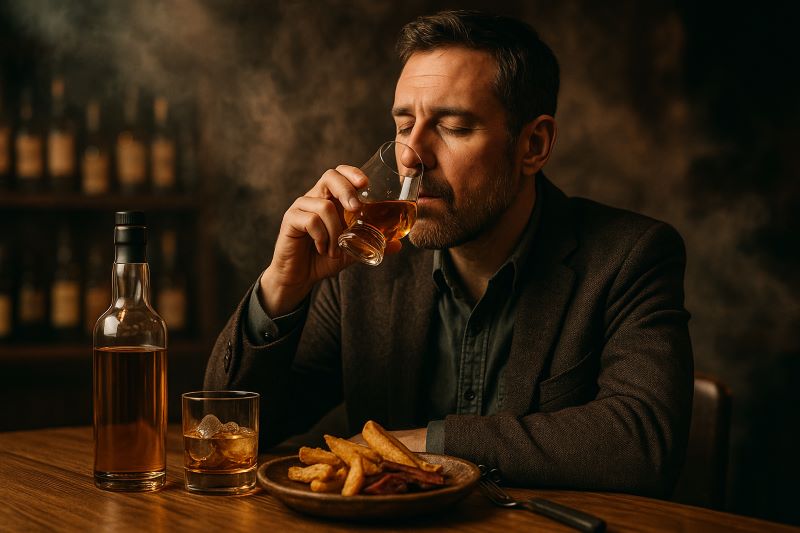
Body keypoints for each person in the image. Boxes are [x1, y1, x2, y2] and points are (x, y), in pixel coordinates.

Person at [204, 10, 693, 497]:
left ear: (534, 145)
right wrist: (280, 288)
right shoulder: (366, 261)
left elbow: (641, 443)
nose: (410, 155)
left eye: (453, 127)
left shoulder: (631, 255)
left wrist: (428, 442)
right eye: (403, 125)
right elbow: (228, 430)